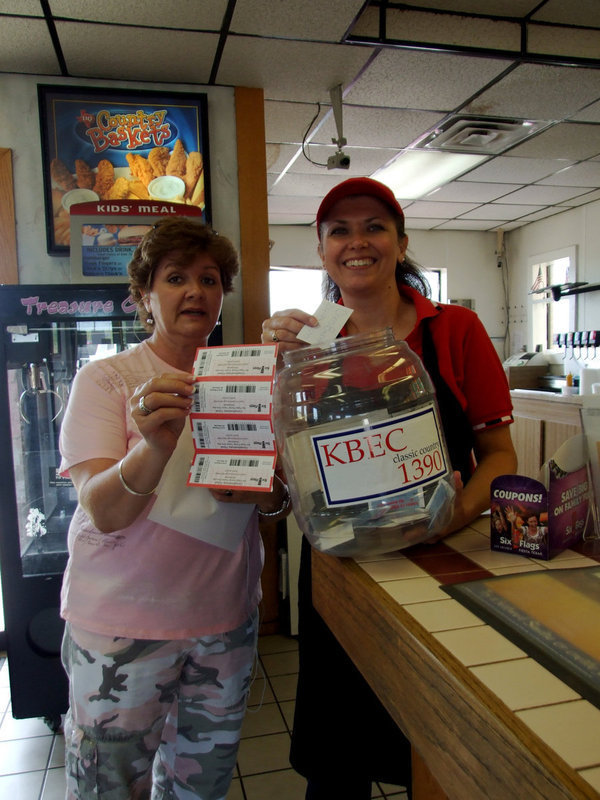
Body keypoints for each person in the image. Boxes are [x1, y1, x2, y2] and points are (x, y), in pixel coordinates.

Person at [261, 177, 517, 800]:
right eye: (339, 231)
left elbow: (500, 458)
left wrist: (445, 518)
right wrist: (270, 372)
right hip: (343, 573)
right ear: (321, 251)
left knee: (444, 753)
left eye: (374, 227)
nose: (357, 242)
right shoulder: (307, 343)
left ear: (400, 243)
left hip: (441, 562)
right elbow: (283, 475)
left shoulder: (454, 329)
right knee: (337, 762)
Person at [59, 217, 290, 800]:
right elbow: (102, 510)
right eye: (176, 278)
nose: (195, 291)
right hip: (121, 627)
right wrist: (156, 444)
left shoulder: (248, 381)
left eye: (209, 279)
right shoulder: (108, 381)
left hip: (222, 622)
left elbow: (279, 502)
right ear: (144, 297)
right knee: (109, 788)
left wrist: (261, 494)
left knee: (200, 788)